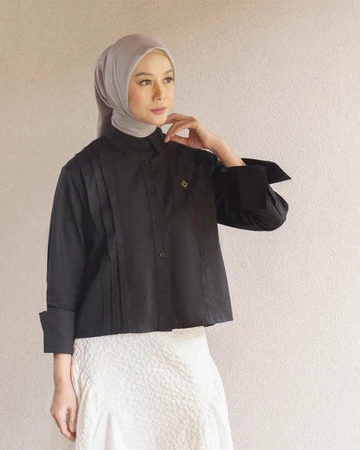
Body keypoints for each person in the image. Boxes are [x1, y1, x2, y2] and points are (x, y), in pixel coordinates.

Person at [39, 33, 291, 450]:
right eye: (144, 81)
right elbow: (62, 285)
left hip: (182, 347)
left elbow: (269, 216)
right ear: (116, 87)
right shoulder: (81, 173)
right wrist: (62, 382)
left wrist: (219, 147)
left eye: (168, 79)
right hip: (108, 356)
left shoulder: (194, 163)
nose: (161, 94)